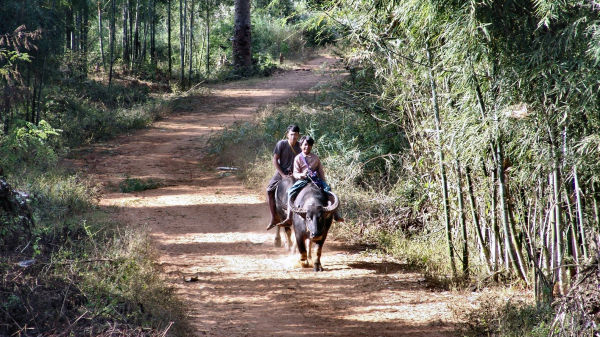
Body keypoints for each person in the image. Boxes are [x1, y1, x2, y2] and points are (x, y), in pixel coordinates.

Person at [278, 135, 343, 226]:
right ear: (301, 146)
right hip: (303, 180)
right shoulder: (298, 158)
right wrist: (302, 175)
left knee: (329, 190)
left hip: (315, 180)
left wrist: (324, 183)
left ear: (311, 146)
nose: (307, 147)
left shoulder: (316, 158)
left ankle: (335, 214)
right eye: (305, 145)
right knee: (290, 192)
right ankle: (289, 217)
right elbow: (295, 173)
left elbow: (321, 172)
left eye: (309, 145)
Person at [266, 124, 301, 229]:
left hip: (296, 174)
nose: (293, 137)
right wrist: (282, 175)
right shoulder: (281, 144)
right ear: (287, 135)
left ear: (298, 135)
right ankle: (274, 217)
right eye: (291, 134)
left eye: (295, 135)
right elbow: (275, 160)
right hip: (281, 172)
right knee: (269, 190)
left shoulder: (301, 146)